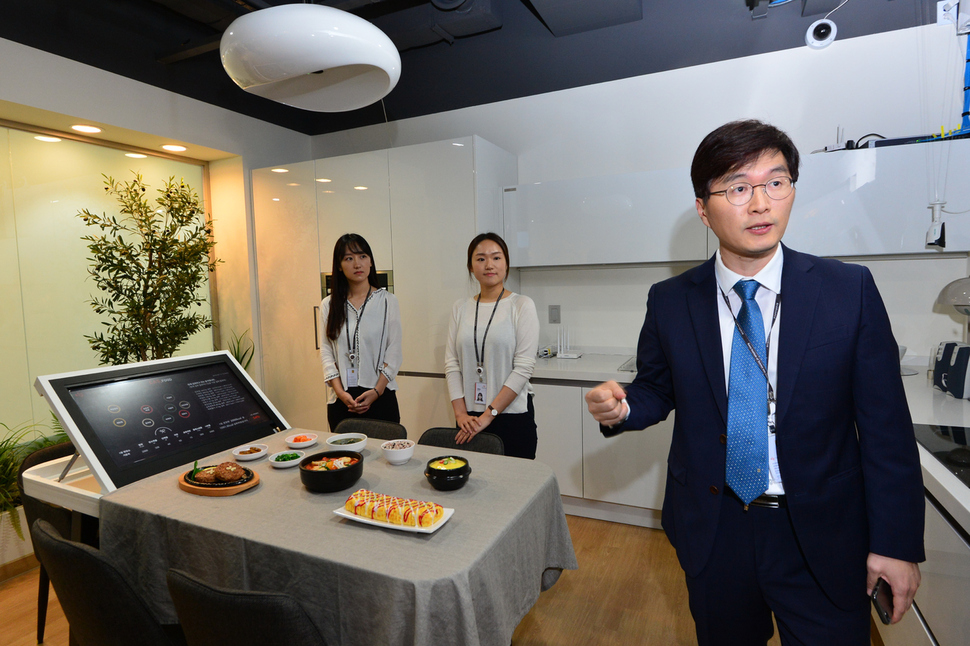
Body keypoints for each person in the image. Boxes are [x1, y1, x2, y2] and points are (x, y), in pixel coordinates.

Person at [585, 120, 925, 645]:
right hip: (715, 529)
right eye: (739, 188)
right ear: (703, 207)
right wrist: (623, 409)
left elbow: (887, 431)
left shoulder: (846, 290)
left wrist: (896, 543)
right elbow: (656, 388)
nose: (761, 203)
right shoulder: (671, 300)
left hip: (821, 532)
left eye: (776, 182)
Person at [445, 232, 540, 459]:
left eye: (496, 258)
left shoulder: (522, 305)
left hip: (511, 416)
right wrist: (460, 414)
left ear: (506, 264)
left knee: (515, 489)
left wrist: (489, 415)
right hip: (469, 419)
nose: (489, 264)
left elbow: (523, 368)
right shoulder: (460, 308)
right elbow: (451, 364)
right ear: (470, 266)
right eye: (480, 258)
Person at [320, 234, 402, 431]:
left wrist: (377, 390)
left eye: (362, 256)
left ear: (371, 261)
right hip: (342, 400)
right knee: (344, 460)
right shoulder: (329, 305)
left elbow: (394, 350)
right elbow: (326, 352)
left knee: (384, 460)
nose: (357, 264)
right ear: (339, 266)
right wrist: (340, 392)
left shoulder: (387, 301)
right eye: (349, 258)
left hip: (381, 396)